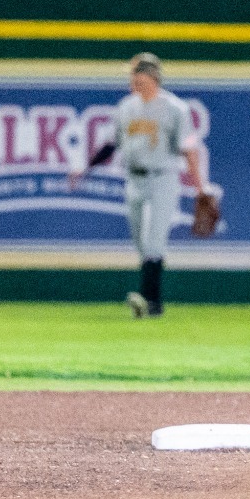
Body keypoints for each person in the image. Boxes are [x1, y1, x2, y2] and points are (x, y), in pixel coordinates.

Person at [71, 54, 210, 318]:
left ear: (155, 79)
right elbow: (112, 145)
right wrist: (85, 169)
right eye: (134, 80)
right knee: (141, 243)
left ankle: (150, 302)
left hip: (163, 178)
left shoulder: (175, 108)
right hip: (134, 179)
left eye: (141, 80)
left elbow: (189, 150)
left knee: (154, 241)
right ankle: (149, 301)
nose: (136, 84)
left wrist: (200, 187)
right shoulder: (126, 107)